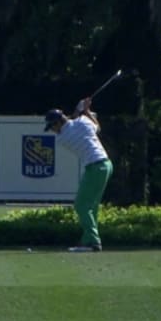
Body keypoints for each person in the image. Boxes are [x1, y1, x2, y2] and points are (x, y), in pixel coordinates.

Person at [44, 97, 113, 252]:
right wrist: (86, 111)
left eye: (52, 126)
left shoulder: (62, 138)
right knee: (91, 207)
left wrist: (80, 109)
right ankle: (88, 239)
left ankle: (94, 241)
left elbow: (72, 122)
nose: (52, 130)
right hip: (106, 164)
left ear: (58, 123)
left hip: (95, 167)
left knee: (81, 205)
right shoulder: (82, 122)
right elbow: (97, 126)